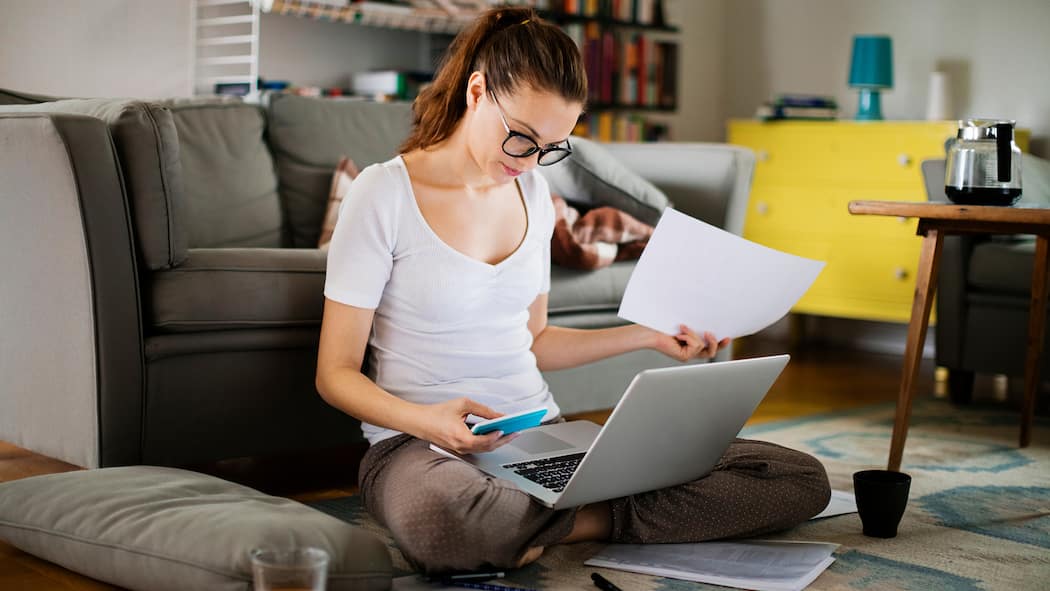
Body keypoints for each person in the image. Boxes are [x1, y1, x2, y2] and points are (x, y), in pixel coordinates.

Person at [316, 6, 830, 574]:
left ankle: (546, 523)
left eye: (552, 147)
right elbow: (335, 373)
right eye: (522, 139)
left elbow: (534, 340)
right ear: (478, 90)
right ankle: (590, 517)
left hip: (540, 437)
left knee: (798, 478)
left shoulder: (533, 195)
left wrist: (647, 337)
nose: (531, 161)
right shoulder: (384, 193)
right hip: (420, 447)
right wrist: (430, 421)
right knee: (444, 522)